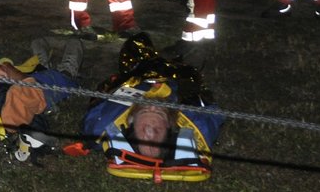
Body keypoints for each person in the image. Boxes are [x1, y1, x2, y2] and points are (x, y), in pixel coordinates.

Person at [79, 34, 223, 182]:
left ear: (132, 122)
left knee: (137, 41)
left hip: (139, 74)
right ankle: (175, 56)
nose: (149, 133)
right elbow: (211, 117)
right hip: (176, 76)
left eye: (146, 110)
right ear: (168, 125)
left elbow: (97, 108)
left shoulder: (103, 126)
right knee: (190, 64)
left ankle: (158, 56)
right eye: (159, 113)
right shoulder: (192, 121)